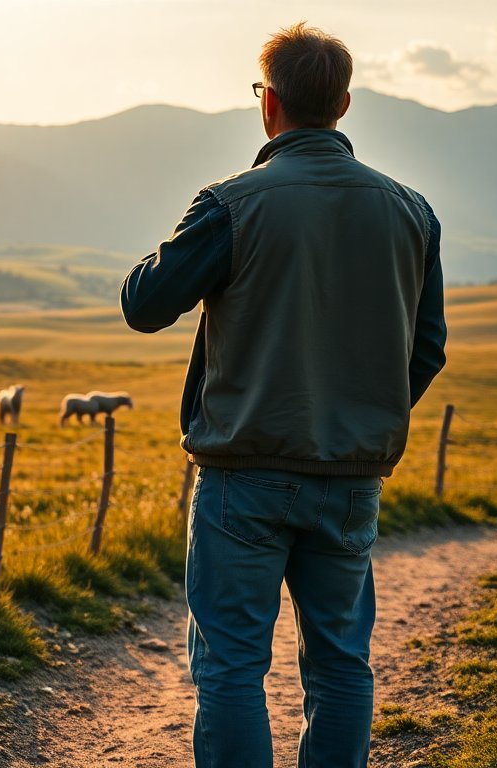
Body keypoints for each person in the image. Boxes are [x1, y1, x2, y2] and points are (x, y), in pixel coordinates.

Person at [119, 22, 447, 768]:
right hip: (352, 477)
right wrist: (358, 413)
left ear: (268, 104)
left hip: (243, 474)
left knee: (231, 665)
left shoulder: (231, 203)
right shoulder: (412, 211)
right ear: (344, 103)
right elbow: (427, 350)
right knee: (340, 663)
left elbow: (144, 305)